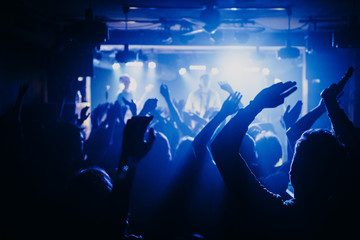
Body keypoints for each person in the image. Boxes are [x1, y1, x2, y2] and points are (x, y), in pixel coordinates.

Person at [210, 79, 358, 238]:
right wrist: (331, 105)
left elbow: (221, 148)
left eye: (297, 157)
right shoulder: (349, 214)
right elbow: (354, 150)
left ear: (294, 172)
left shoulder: (275, 214)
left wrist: (256, 105)